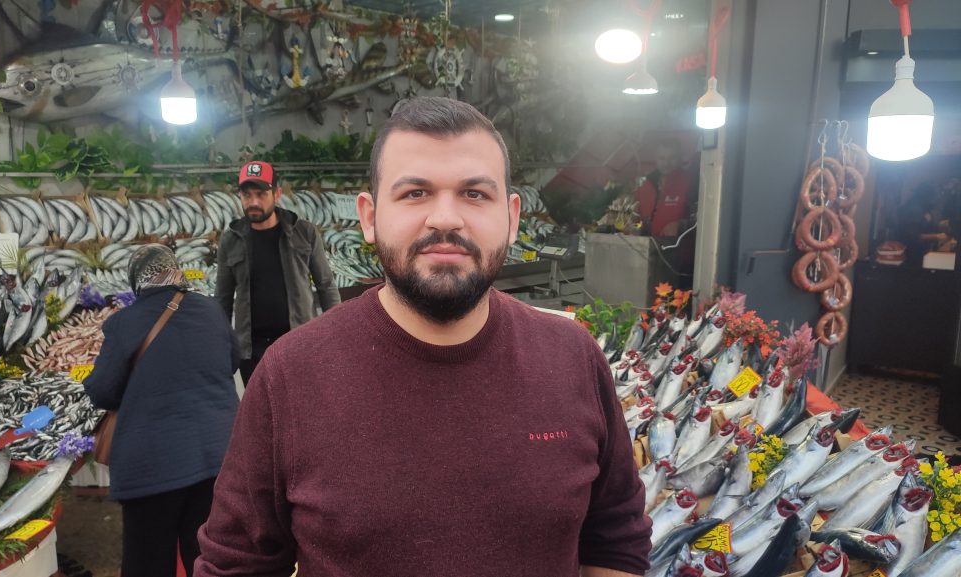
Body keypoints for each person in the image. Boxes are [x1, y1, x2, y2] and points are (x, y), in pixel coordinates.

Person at [195, 97, 651, 577]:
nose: (445, 219)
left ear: (512, 217)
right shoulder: (291, 374)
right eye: (415, 193)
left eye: (475, 193)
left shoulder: (573, 357)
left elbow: (615, 540)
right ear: (369, 217)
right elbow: (236, 563)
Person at [85, 244, 240, 577]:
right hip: (218, 457)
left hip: (153, 468)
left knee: (149, 562)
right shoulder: (211, 310)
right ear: (175, 272)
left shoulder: (123, 323)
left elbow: (102, 390)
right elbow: (232, 361)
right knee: (208, 559)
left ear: (136, 281)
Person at [216, 161, 341, 384]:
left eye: (261, 194)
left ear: (277, 194)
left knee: (304, 401)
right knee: (260, 406)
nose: (253, 202)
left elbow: (326, 285)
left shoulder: (304, 232)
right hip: (252, 351)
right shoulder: (230, 239)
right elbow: (222, 298)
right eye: (247, 195)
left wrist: (338, 332)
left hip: (299, 343)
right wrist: (219, 342)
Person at [633, 138, 695, 238]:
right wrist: (634, 226)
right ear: (656, 158)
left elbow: (703, 218)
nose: (666, 163)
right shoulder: (646, 183)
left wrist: (681, 225)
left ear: (680, 158)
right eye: (662, 158)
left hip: (677, 245)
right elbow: (636, 219)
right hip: (646, 244)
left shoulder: (691, 182)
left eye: (672, 158)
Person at [898, 183, 950, 267]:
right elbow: (915, 236)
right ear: (927, 196)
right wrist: (937, 236)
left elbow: (925, 226)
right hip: (912, 256)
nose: (937, 198)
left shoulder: (924, 209)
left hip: (919, 253)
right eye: (934, 195)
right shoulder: (915, 210)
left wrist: (940, 225)